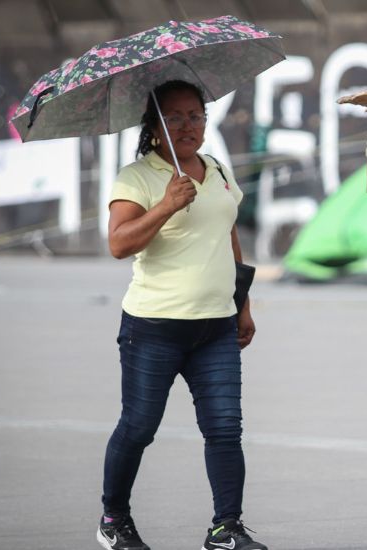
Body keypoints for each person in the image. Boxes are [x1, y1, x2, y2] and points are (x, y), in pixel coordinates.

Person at [97, 80, 266, 550]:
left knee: (225, 429)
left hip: (215, 326)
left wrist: (242, 303)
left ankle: (225, 528)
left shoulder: (217, 171)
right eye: (173, 117)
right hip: (153, 328)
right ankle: (115, 520)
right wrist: (167, 206)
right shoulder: (139, 177)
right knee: (139, 426)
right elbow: (118, 243)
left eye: (195, 115)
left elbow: (228, 236)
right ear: (153, 126)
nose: (187, 126)